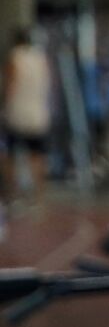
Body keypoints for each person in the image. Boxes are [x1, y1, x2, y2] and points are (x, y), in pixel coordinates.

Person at [3, 27, 53, 207]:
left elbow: (11, 85)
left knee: (10, 154)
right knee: (37, 155)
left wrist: (5, 106)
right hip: (39, 113)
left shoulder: (15, 57)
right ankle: (39, 196)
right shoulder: (41, 58)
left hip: (18, 112)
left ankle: (13, 192)